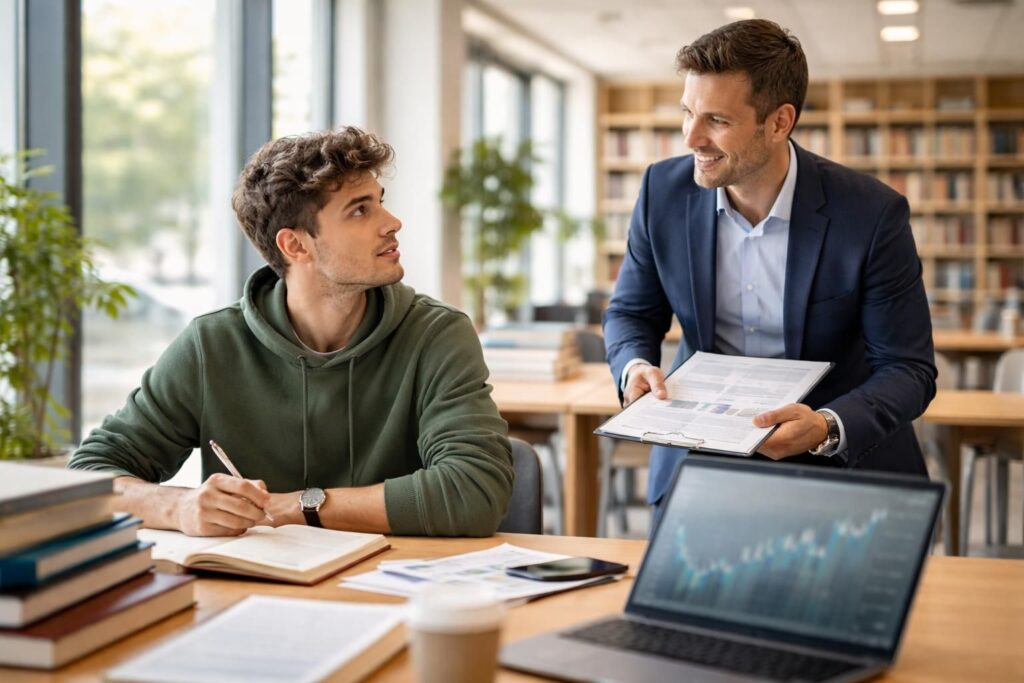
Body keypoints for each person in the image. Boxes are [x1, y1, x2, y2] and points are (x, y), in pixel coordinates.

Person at [70, 127, 513, 537]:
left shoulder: (437, 334)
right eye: (360, 210)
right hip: (255, 594)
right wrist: (180, 508)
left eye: (379, 200)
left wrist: (297, 507)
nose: (391, 221)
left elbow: (474, 492)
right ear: (295, 245)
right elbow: (88, 476)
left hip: (400, 593)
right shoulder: (212, 346)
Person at [603, 19, 936, 516]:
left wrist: (827, 425)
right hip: (702, 457)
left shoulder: (870, 214)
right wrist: (635, 366)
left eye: (716, 120)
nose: (692, 137)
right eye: (687, 113)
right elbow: (631, 312)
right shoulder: (661, 194)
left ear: (779, 122)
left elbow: (908, 369)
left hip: (840, 464)